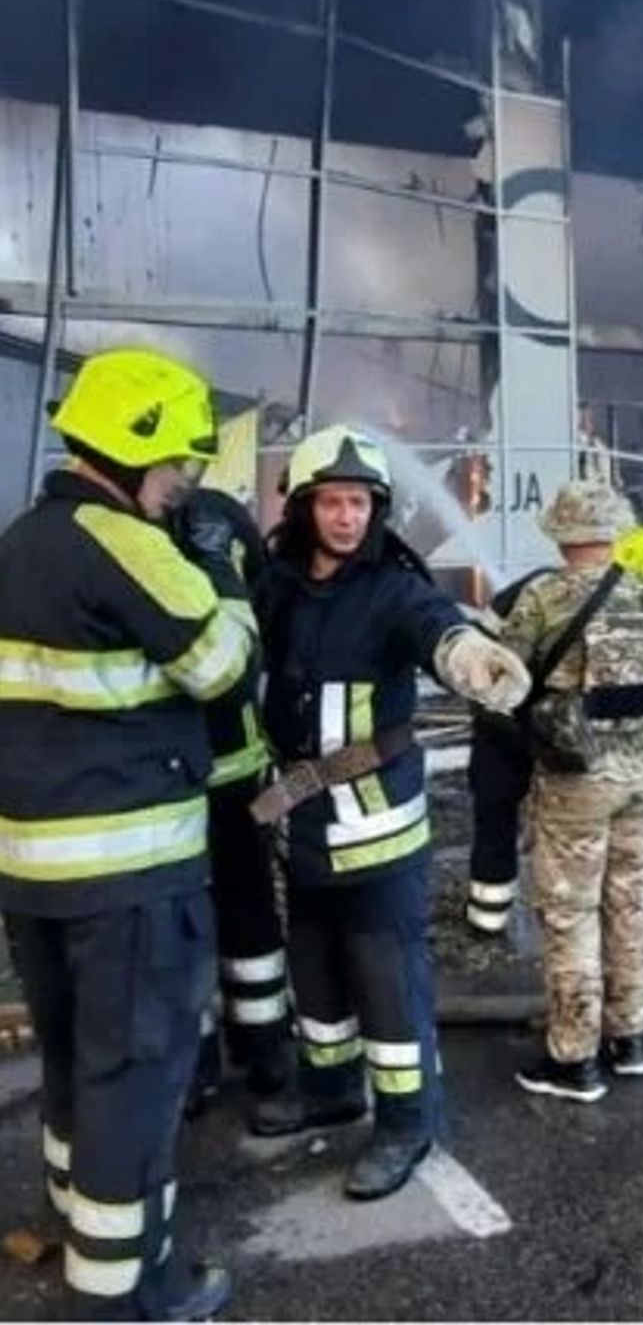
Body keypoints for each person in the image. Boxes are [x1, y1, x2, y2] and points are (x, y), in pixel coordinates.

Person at [0, 348, 253, 1319]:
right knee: (134, 1077)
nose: (184, 486)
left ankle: (79, 1227)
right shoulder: (129, 542)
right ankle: (128, 1291)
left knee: (71, 1059)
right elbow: (222, 664)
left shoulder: (22, 540)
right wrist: (218, 566)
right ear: (136, 446)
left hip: (34, 871)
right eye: (181, 468)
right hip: (131, 873)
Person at [249, 424, 531, 1200]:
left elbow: (436, 630)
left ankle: (407, 1123)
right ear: (302, 508)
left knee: (387, 985)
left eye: (359, 503)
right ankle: (331, 1091)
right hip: (302, 832)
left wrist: (473, 659)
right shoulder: (275, 587)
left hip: (375, 838)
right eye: (332, 502)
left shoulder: (394, 587)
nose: (346, 518)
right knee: (317, 980)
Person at [500, 483, 643, 1102]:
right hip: (642, 774)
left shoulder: (544, 596)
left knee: (570, 913)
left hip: (576, 781)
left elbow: (503, 675)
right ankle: (629, 1039)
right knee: (631, 903)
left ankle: (574, 1059)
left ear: (559, 533)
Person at [170, 487, 288, 1101]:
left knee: (211, 914)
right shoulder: (218, 515)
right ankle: (245, 1050)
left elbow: (258, 615)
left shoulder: (205, 520)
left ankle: (241, 1051)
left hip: (199, 770)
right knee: (230, 911)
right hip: (203, 767)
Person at [464, 567, 547, 935]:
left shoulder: (530, 583)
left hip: (501, 722)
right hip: (561, 731)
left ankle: (487, 916)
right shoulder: (623, 593)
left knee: (495, 815)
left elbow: (475, 648)